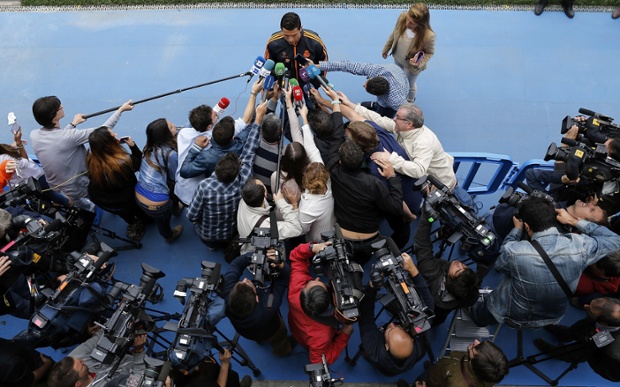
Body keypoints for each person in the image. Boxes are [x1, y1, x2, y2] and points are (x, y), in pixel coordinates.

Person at [470, 196, 620, 328]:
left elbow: (500, 264)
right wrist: (574, 222)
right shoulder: (581, 245)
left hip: (513, 309)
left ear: (527, 227)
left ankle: (478, 317)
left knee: (487, 310)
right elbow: (615, 240)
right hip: (551, 316)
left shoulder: (515, 252)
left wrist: (516, 230)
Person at [320, 87, 405, 264]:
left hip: (344, 236)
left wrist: (334, 104)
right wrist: (393, 178)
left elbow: (336, 136)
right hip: (371, 238)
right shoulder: (374, 181)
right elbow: (394, 208)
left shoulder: (334, 171)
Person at [356, 100, 471, 206]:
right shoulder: (404, 128)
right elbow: (381, 120)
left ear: (409, 124)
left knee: (435, 213)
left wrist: (391, 159)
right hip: (428, 180)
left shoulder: (423, 143)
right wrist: (354, 107)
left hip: (439, 187)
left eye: (397, 117)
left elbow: (418, 170)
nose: (394, 119)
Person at [187, 101, 267, 250]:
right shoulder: (243, 180)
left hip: (206, 235)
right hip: (229, 233)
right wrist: (258, 120)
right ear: (238, 170)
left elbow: (191, 216)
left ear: (217, 168)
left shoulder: (204, 186)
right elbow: (250, 150)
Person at [30, 96, 134, 206]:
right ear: (53, 117)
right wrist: (121, 110)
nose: (62, 106)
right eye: (58, 107)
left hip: (54, 185)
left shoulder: (34, 135)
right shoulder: (68, 137)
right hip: (76, 188)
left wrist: (72, 124)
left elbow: (59, 140)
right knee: (90, 207)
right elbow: (103, 131)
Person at [359, 252, 434, 376]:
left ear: (386, 346)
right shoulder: (420, 346)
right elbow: (429, 306)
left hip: (381, 363)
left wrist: (372, 286)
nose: (392, 325)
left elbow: (366, 315)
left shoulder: (373, 349)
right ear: (411, 338)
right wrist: (413, 271)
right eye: (399, 327)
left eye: (390, 330)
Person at [288, 241, 354, 365]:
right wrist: (344, 335)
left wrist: (312, 248)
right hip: (307, 339)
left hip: (296, 328)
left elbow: (296, 256)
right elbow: (319, 362)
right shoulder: (321, 338)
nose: (317, 278)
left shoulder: (295, 289)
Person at [414, 207, 480, 325]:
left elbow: (422, 245)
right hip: (442, 311)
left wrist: (427, 216)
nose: (459, 264)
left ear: (450, 281)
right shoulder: (471, 293)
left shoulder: (431, 273)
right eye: (465, 267)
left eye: (458, 271)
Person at [223, 250, 294, 356]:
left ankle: (260, 341)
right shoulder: (268, 308)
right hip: (272, 331)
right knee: (279, 339)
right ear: (257, 298)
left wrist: (253, 256)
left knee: (258, 337)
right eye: (249, 284)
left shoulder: (228, 292)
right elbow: (283, 281)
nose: (246, 279)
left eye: (242, 282)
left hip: (246, 332)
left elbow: (236, 265)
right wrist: (282, 265)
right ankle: (283, 350)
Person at [534, 297, 620, 382]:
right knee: (574, 331)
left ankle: (549, 350)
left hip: (601, 345)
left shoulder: (611, 345)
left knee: (573, 353)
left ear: (603, 322)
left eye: (590, 310)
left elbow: (611, 374)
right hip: (594, 326)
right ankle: (561, 334)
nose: (585, 306)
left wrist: (589, 354)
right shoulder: (602, 317)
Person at [86, 127, 148, 241]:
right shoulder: (123, 162)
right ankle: (140, 221)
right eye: (113, 135)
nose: (116, 134)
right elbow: (140, 162)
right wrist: (133, 146)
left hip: (99, 198)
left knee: (124, 213)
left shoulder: (90, 157)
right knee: (137, 211)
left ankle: (132, 222)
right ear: (109, 144)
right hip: (123, 200)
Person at [46, 330, 151, 387]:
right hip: (146, 372)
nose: (82, 360)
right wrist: (139, 351)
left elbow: (101, 336)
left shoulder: (74, 359)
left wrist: (120, 320)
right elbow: (138, 382)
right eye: (81, 365)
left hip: (129, 355)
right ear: (77, 384)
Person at [135, 118, 183, 243]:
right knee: (163, 223)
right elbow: (174, 177)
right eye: (172, 127)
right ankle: (169, 236)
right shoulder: (170, 155)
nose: (175, 126)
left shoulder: (148, 148)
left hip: (139, 194)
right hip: (158, 204)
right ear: (165, 136)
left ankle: (175, 208)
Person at [0, 125, 70, 206]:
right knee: (54, 196)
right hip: (34, 180)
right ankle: (69, 204)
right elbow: (25, 161)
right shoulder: (6, 158)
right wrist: (19, 144)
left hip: (31, 180)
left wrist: (12, 145)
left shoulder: (4, 155)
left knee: (45, 197)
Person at [313, 59, 408, 117]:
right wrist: (318, 66)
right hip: (396, 72)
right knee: (379, 106)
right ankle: (375, 105)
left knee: (381, 118)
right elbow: (346, 65)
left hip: (402, 86)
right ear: (374, 77)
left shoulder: (395, 101)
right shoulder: (374, 70)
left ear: (379, 95)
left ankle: (378, 107)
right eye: (367, 83)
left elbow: (410, 114)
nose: (363, 85)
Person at [382, 3, 435, 102]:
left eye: (412, 23)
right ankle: (398, 95)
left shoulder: (429, 36)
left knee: (409, 84)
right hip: (398, 57)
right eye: (407, 20)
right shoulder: (402, 17)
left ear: (420, 24)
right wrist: (386, 48)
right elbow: (394, 33)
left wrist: (418, 63)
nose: (407, 24)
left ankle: (410, 101)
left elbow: (429, 52)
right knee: (398, 77)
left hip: (411, 66)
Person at [264, 12, 328, 90]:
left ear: (300, 28)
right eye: (286, 35)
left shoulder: (315, 42)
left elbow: (324, 66)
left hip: (309, 88)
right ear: (281, 30)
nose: (291, 40)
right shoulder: (273, 43)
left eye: (294, 35)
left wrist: (316, 85)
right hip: (285, 87)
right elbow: (267, 68)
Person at [416, 339, 509, 387]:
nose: (476, 341)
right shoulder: (489, 373)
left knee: (421, 380)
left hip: (435, 382)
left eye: (475, 348)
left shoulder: (456, 384)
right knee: (433, 369)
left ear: (474, 365)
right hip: (445, 368)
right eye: (481, 344)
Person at [171, 349, 252, 387]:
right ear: (185, 372)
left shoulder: (177, 367)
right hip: (214, 383)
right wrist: (225, 364)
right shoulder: (198, 384)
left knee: (231, 375)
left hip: (210, 376)